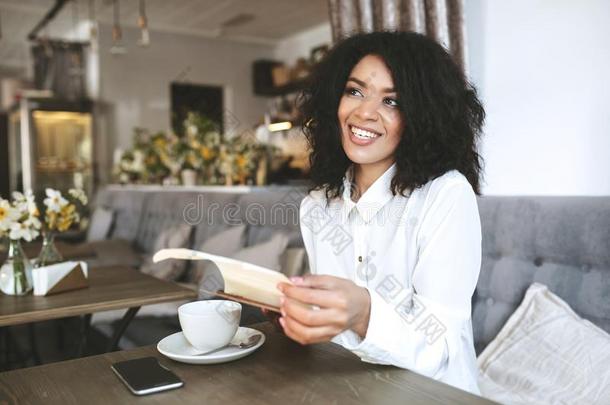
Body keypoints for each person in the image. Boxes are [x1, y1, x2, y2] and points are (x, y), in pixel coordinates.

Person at [275, 31, 485, 395]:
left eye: (392, 102)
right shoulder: (317, 205)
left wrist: (364, 313)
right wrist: (299, 312)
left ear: (422, 116)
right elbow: (335, 334)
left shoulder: (446, 195)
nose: (364, 112)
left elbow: (442, 345)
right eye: (354, 91)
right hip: (344, 389)